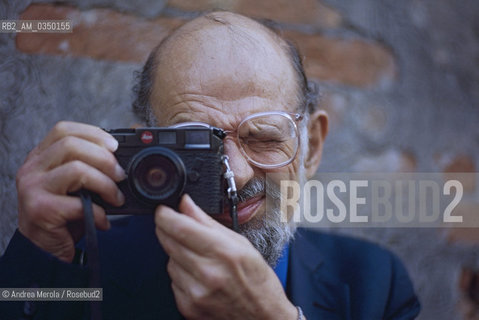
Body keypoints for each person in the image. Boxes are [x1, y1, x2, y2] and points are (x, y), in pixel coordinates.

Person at [0, 11, 420, 320]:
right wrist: (35, 258)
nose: (235, 173)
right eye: (195, 145)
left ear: (311, 148)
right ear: (148, 156)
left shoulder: (374, 284)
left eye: (265, 138)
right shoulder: (82, 267)